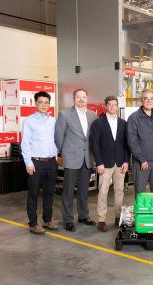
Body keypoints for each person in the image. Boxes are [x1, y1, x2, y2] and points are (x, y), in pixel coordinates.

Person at [55, 88, 98, 232]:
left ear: (87, 99)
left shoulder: (93, 116)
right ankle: (68, 220)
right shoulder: (65, 114)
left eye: (84, 97)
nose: (81, 99)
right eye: (78, 97)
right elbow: (59, 138)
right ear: (73, 99)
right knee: (68, 191)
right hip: (71, 158)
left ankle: (83, 216)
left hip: (87, 159)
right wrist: (65, 153)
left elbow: (93, 139)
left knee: (84, 191)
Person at [89, 96, 130, 232]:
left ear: (117, 106)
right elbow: (94, 144)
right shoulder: (98, 123)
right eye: (110, 104)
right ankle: (101, 219)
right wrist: (99, 162)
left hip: (120, 163)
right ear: (105, 106)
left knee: (119, 191)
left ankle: (118, 217)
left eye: (115, 104)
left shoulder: (123, 123)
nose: (113, 106)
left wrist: (126, 161)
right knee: (103, 191)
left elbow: (126, 145)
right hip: (104, 164)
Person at [21, 91, 59, 235]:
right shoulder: (29, 121)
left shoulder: (53, 120)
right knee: (33, 194)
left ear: (49, 104)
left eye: (46, 103)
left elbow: (54, 141)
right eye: (41, 103)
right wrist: (28, 163)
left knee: (50, 193)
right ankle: (33, 224)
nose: (44, 105)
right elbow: (25, 144)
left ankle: (47, 220)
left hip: (51, 162)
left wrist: (55, 157)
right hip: (36, 163)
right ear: (36, 104)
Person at [127, 89, 153, 194]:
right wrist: (142, 159)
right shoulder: (134, 118)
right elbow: (132, 141)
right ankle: (142, 211)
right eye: (146, 98)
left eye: (152, 99)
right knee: (141, 193)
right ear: (142, 100)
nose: (149, 101)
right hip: (141, 163)